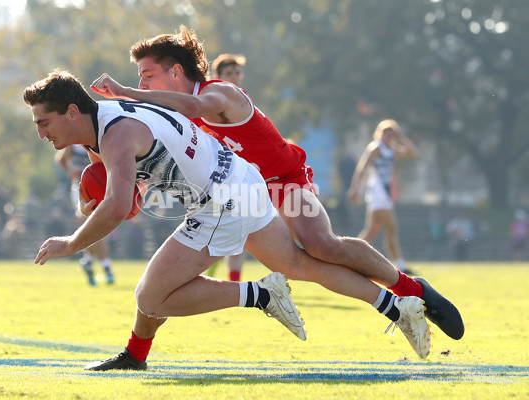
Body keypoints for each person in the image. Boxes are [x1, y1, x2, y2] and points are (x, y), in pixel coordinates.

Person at [89, 25, 463, 368]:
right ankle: (398, 310)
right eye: (138, 77)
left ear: (175, 72)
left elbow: (193, 108)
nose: (141, 83)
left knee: (322, 246)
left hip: (283, 178)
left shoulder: (217, 92)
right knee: (295, 268)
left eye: (147, 75)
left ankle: (413, 289)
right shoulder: (175, 115)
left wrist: (124, 92)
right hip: (243, 194)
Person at [25, 70, 434, 371]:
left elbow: (118, 206)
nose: (41, 133)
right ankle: (399, 309)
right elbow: (131, 188)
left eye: (44, 122)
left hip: (220, 201)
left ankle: (261, 295)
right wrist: (96, 198)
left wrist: (70, 243)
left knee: (150, 296)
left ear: (73, 112)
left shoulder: (115, 134)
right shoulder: (109, 117)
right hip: (241, 178)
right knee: (300, 264)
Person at [347, 119, 417, 275]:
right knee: (391, 228)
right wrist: (355, 188)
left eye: (392, 133)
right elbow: (361, 168)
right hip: (378, 192)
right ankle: (401, 266)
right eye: (386, 132)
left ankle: (350, 259)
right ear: (380, 133)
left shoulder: (391, 148)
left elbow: (412, 153)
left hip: (384, 192)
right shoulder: (376, 148)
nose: (389, 136)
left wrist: (401, 138)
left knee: (372, 231)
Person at [208, 53, 248, 281]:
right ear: (218, 76)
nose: (235, 77)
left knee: (240, 233)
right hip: (218, 175)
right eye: (229, 73)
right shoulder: (214, 101)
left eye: (237, 72)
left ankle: (233, 283)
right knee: (215, 231)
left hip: (240, 175)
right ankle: (204, 278)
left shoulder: (244, 100)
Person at [55, 144, 116, 285]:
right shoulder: (75, 141)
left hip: (100, 185)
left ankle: (88, 262)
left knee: (97, 227)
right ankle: (106, 267)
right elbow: (61, 159)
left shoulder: (97, 136)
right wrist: (70, 171)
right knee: (97, 227)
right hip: (81, 188)